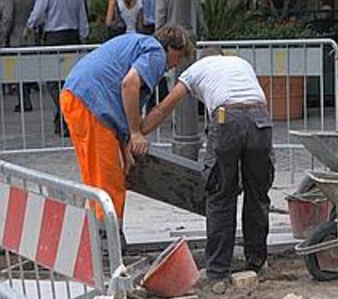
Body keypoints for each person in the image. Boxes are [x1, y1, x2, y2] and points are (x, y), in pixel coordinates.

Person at [141, 49, 274, 293]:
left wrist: (138, 132)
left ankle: (218, 272)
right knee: (257, 196)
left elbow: (164, 108)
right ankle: (256, 263)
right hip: (260, 119)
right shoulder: (240, 63)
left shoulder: (195, 70)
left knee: (221, 195)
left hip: (227, 117)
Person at [60, 25, 193, 233]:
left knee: (94, 176)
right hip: (92, 103)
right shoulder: (156, 52)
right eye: (178, 57)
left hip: (77, 98)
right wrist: (135, 133)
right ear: (171, 48)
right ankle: (109, 240)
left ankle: (96, 235)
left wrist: (124, 146)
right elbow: (129, 84)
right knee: (110, 179)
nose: (175, 65)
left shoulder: (139, 44)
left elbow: (120, 107)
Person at [26, 0, 89, 136]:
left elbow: (38, 14)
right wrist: (83, 37)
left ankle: (63, 115)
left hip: (54, 36)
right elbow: (82, 17)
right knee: (71, 81)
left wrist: (31, 25)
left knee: (53, 81)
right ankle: (65, 116)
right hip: (73, 36)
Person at [0, 0, 36, 113]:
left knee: (18, 71)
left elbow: (8, 17)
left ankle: (24, 101)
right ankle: (26, 99)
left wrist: (3, 35)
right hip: (29, 35)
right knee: (26, 70)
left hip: (16, 36)